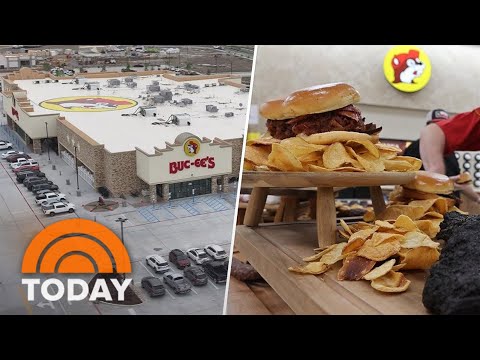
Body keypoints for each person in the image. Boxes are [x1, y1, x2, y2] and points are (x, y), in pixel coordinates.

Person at [415, 108, 480, 204]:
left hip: (448, 201)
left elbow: (459, 182)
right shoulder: (415, 147)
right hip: (426, 201)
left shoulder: (451, 151)